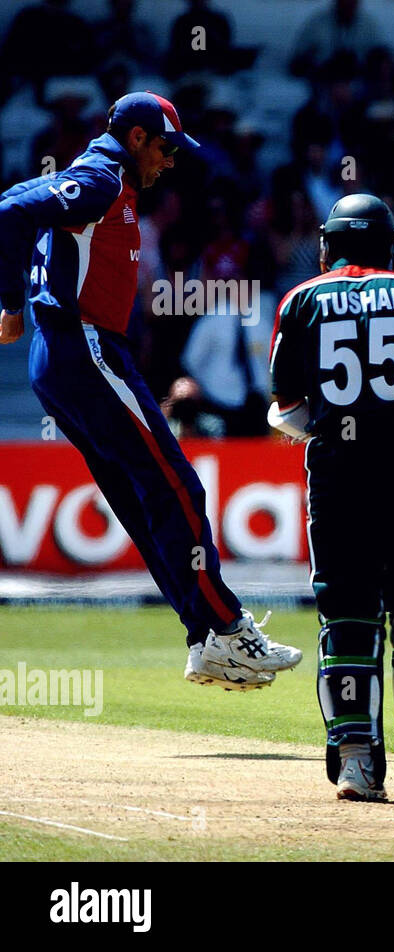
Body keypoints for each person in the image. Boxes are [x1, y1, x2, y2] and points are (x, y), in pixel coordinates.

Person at [0, 91, 301, 690]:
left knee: (143, 499)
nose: (170, 161)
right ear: (136, 137)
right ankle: (227, 627)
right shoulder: (103, 178)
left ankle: (204, 637)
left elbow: (18, 207)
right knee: (177, 484)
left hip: (68, 355)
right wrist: (11, 306)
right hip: (82, 346)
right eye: (165, 148)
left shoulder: (110, 183)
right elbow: (8, 211)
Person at [268, 194, 394, 801]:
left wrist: (338, 431)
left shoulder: (300, 299)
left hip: (336, 468)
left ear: (327, 246)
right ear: (391, 246)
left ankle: (357, 761)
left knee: (346, 609)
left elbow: (285, 407)